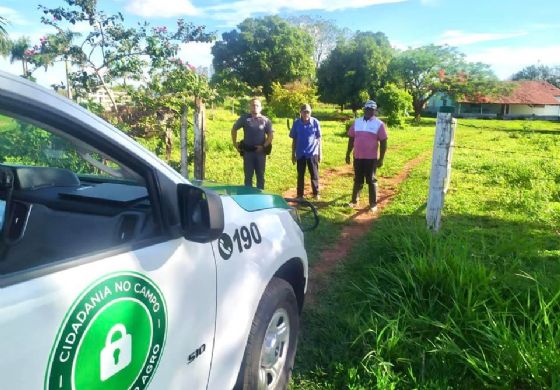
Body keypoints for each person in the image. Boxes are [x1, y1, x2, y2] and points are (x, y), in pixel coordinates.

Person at [345, 100, 388, 212]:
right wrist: (348, 153)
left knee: (371, 180)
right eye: (367, 109)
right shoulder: (357, 122)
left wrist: (381, 158)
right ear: (364, 110)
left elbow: (383, 142)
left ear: (375, 111)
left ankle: (373, 204)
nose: (369, 111)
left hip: (371, 158)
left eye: (372, 110)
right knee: (358, 179)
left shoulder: (379, 124)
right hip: (358, 156)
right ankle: (354, 201)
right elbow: (351, 138)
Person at [231, 98, 274, 190]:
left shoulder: (265, 120)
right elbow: (234, 129)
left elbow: (270, 135)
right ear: (249, 107)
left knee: (260, 176)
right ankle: (248, 196)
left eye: (257, 105)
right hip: (248, 153)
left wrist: (264, 146)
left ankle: (260, 196)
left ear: (261, 108)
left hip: (260, 153)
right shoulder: (244, 118)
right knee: (248, 176)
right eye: (253, 105)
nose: (255, 107)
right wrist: (235, 144)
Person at [289, 103, 322, 199]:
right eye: (304, 112)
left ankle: (316, 193)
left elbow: (319, 139)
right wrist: (293, 154)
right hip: (300, 153)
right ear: (301, 113)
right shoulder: (296, 123)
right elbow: (294, 139)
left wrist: (320, 153)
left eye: (308, 112)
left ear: (310, 112)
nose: (306, 114)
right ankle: (300, 195)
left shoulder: (315, 122)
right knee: (300, 175)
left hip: (312, 153)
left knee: (314, 174)